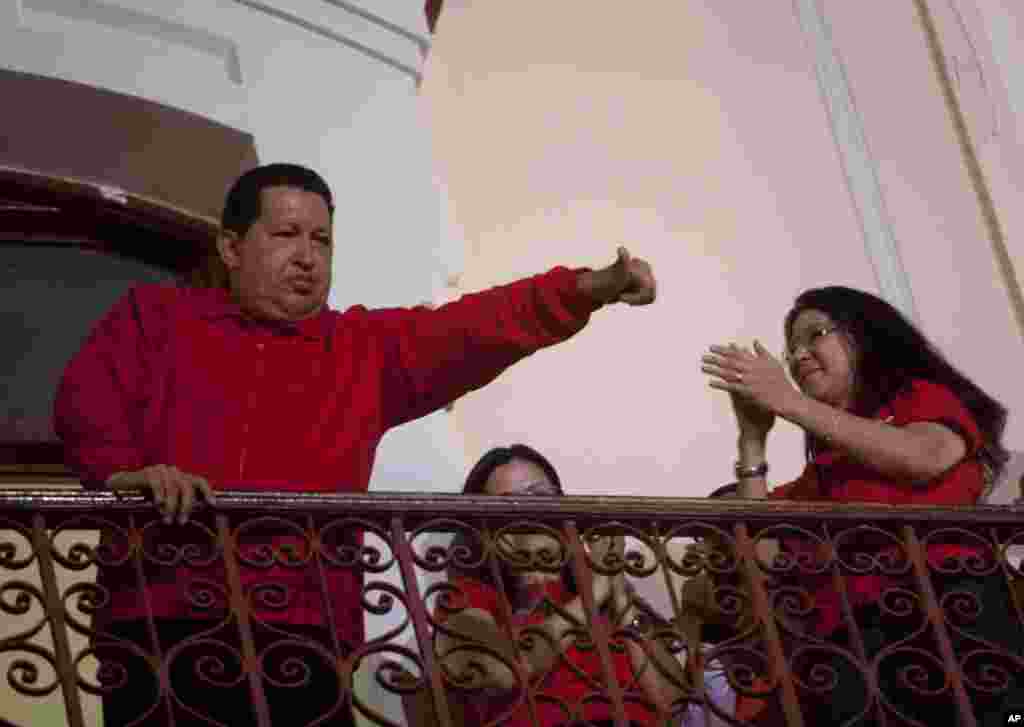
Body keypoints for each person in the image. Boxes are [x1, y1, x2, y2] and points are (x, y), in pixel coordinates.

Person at [52, 163, 657, 726]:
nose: (307, 257)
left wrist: (587, 288)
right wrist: (123, 473)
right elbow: (85, 402)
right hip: (158, 618)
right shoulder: (154, 319)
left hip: (305, 635)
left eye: (322, 241)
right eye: (287, 234)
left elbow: (478, 326)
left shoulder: (362, 350)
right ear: (232, 247)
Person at [699, 285, 1022, 726]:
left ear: (865, 337)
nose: (798, 356)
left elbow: (924, 457)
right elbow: (763, 555)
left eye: (816, 335)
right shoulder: (823, 473)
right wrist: (753, 440)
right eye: (792, 348)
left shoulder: (920, 397)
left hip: (945, 616)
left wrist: (790, 402)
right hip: (848, 650)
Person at [434, 444, 727, 727]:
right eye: (509, 501)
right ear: (487, 531)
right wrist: (596, 590)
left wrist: (616, 592)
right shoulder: (468, 595)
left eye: (541, 494)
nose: (533, 509)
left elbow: (672, 705)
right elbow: (499, 672)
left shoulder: (603, 593)